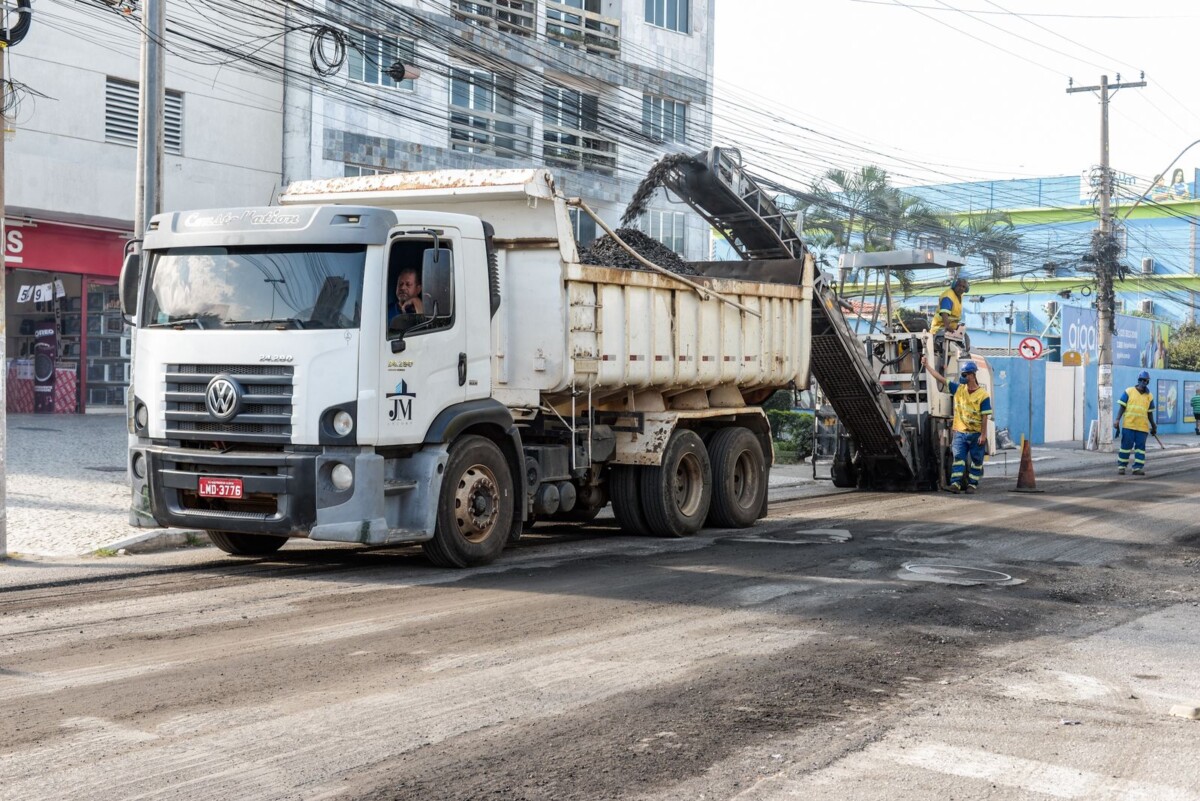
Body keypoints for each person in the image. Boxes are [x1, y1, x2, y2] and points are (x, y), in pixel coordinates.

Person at [921, 356, 992, 494]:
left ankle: (972, 485)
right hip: (960, 432)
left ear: (972, 375)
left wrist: (983, 435)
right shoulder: (959, 389)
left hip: (976, 434)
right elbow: (940, 378)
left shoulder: (983, 395)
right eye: (962, 374)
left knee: (977, 460)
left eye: (965, 375)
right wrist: (927, 366)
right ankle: (955, 484)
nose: (963, 377)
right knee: (958, 458)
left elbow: (985, 416)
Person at [1114, 370, 1156, 476]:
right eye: (1142, 380)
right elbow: (1122, 407)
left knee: (1140, 449)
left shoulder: (1149, 396)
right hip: (1129, 425)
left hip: (1142, 427)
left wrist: (1153, 425)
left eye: (1146, 380)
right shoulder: (1129, 391)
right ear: (1138, 380)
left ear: (1148, 382)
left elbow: (1150, 413)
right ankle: (1121, 467)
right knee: (1125, 447)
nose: (1143, 382)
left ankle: (1137, 468)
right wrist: (1117, 419)